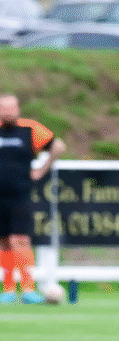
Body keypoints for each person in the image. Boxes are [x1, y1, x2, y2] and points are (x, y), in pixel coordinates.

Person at [0, 93, 66, 305]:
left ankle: (28, 288)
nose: (8, 112)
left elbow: (58, 146)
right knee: (4, 242)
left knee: (20, 240)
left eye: (11, 108)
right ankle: (8, 289)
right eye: (3, 108)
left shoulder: (29, 129)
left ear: (18, 109)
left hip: (20, 195)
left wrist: (41, 170)